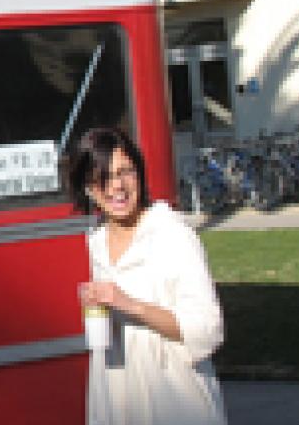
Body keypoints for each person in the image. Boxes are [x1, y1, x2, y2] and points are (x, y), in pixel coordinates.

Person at [68, 127, 226, 425]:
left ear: (139, 174)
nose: (117, 186)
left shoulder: (173, 235)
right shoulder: (94, 243)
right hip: (115, 395)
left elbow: (208, 328)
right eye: (104, 176)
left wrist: (131, 305)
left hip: (173, 399)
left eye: (125, 172)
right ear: (88, 187)